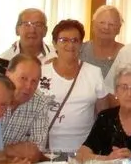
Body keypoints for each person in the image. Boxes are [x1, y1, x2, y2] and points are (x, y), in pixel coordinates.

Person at [39, 20, 110, 152]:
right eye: (64, 40)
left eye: (75, 40)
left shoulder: (94, 72)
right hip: (46, 150)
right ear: (54, 43)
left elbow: (103, 117)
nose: (70, 45)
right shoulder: (41, 72)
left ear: (81, 45)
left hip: (84, 150)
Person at [0, 53, 47, 163]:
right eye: (23, 78)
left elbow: (35, 152)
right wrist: (13, 150)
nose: (28, 86)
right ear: (8, 74)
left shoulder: (39, 102)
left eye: (34, 81)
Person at [80, 5, 125, 78]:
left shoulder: (126, 53)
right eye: (102, 22)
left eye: (111, 24)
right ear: (93, 25)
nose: (106, 27)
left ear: (119, 28)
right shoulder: (80, 50)